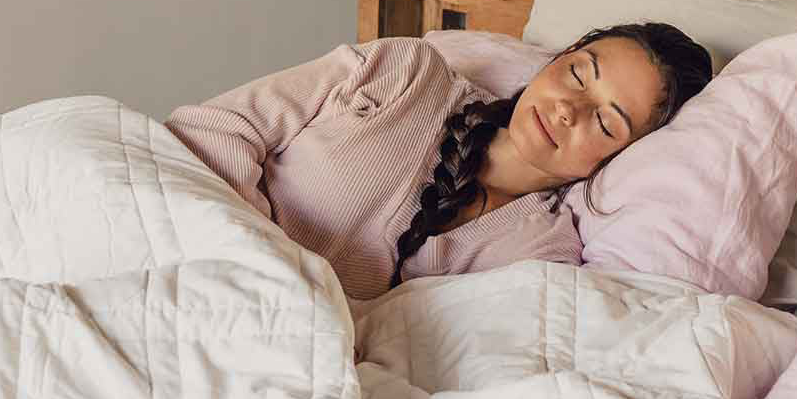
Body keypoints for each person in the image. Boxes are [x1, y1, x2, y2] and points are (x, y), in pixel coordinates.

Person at [166, 25, 712, 301]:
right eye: (577, 73)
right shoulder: (406, 73)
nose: (569, 110)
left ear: (625, 157)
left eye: (606, 121)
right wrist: (248, 261)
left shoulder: (537, 255)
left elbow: (419, 362)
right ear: (555, 61)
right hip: (180, 251)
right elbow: (213, 132)